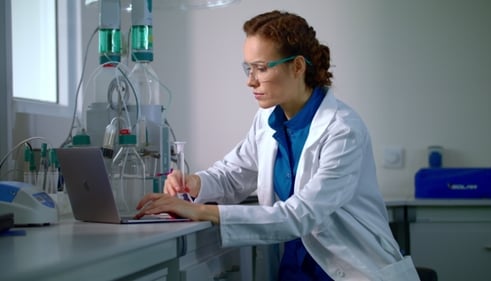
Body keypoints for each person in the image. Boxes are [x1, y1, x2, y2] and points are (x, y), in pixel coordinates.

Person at [135, 10, 420, 281]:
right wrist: (194, 183)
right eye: (248, 68)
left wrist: (202, 211)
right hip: (294, 271)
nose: (250, 81)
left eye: (260, 68)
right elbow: (235, 173)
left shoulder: (343, 130)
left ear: (297, 66)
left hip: (352, 270)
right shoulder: (268, 119)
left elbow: (301, 215)